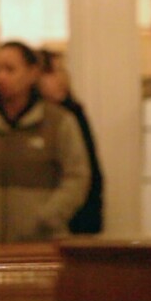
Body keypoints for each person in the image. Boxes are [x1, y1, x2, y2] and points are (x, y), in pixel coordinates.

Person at [0, 42, 90, 242]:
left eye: (10, 69)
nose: (0, 77)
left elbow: (76, 176)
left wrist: (48, 215)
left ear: (32, 73)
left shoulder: (59, 121)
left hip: (42, 240)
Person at [35, 49, 104, 234]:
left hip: (77, 219)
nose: (61, 78)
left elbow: (89, 172)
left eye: (62, 71)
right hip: (38, 221)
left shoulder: (73, 113)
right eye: (51, 72)